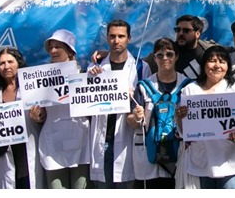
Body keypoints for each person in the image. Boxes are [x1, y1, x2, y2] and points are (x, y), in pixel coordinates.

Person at [175, 44, 235, 188]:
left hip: (230, 161)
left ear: (228, 66)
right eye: (212, 61)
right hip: (201, 160)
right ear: (204, 65)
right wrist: (179, 117)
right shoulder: (190, 90)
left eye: (222, 61)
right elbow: (185, 132)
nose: (217, 65)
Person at [29, 29, 88, 189]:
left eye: (58, 47)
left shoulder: (83, 75)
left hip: (80, 142)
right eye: (51, 47)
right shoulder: (41, 79)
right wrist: (37, 116)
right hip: (52, 145)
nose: (53, 51)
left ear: (70, 51)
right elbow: (41, 112)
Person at [88, 20, 142, 188]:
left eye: (121, 36)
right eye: (112, 36)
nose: (116, 41)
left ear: (129, 38)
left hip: (127, 139)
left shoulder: (140, 67)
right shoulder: (94, 68)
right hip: (102, 140)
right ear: (107, 38)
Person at [0, 47, 38, 189]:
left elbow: (43, 115)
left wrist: (39, 117)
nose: (6, 66)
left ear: (19, 63)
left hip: (27, 151)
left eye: (10, 62)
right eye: (2, 63)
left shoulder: (31, 88)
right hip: (5, 154)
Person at [131, 38, 184, 188]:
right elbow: (131, 120)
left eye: (169, 54)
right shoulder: (143, 87)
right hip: (149, 156)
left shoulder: (187, 87)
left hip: (178, 156)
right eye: (160, 55)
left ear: (176, 56)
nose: (165, 58)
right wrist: (136, 117)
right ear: (154, 58)